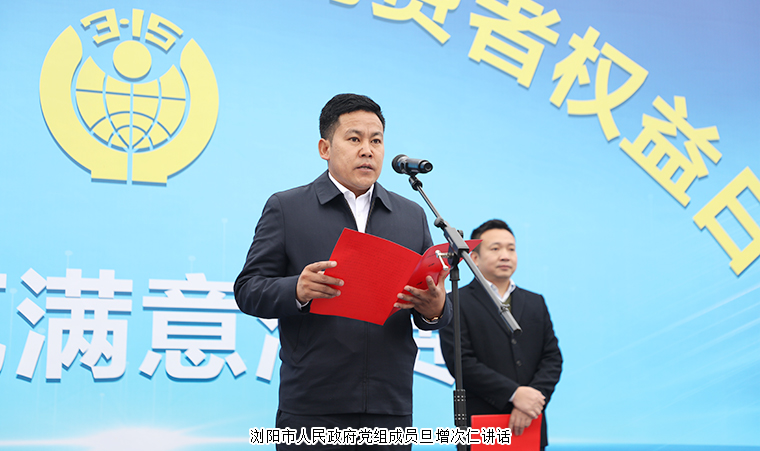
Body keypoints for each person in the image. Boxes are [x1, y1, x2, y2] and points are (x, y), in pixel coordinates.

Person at [234, 93, 452, 450]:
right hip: (313, 406)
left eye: (376, 141)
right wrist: (297, 289)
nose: (367, 150)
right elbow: (248, 290)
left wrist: (435, 308)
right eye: (354, 139)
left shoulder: (411, 215)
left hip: (389, 405)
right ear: (325, 148)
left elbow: (436, 312)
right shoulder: (288, 208)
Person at [439, 219, 562, 450]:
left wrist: (531, 401)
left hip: (530, 422)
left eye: (511, 249)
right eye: (495, 249)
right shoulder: (455, 301)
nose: (505, 256)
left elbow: (552, 358)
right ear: (474, 258)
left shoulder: (535, 302)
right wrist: (514, 394)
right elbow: (461, 362)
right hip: (481, 423)